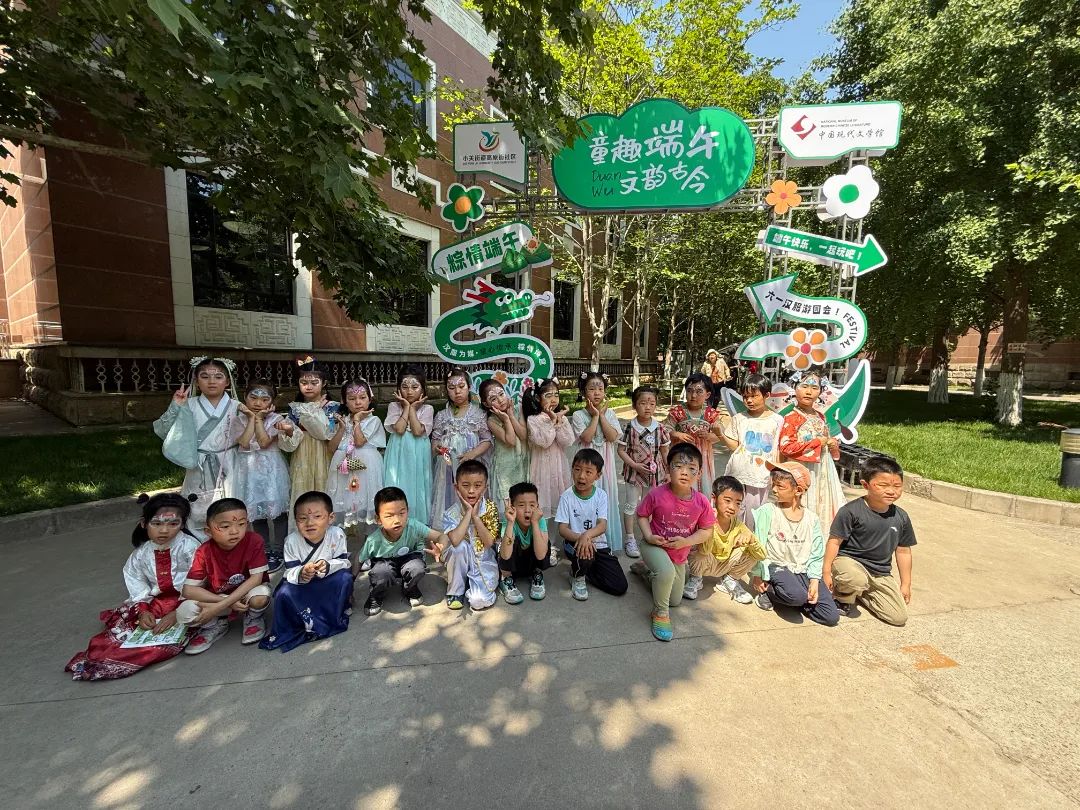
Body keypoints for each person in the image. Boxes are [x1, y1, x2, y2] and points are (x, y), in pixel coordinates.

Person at [65, 493, 202, 681]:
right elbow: (136, 581)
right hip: (156, 603)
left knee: (159, 642)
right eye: (156, 523)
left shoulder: (190, 547)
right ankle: (95, 660)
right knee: (125, 630)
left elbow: (199, 580)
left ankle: (111, 664)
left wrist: (175, 614)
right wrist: (143, 611)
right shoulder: (141, 553)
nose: (164, 530)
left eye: (173, 524)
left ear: (183, 524)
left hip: (187, 600)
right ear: (144, 523)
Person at [631, 443, 716, 641]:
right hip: (653, 545)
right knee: (666, 574)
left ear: (699, 473)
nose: (684, 472)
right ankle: (660, 613)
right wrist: (648, 536)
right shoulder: (656, 494)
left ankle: (646, 571)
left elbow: (707, 530)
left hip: (678, 553)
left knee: (675, 600)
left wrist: (686, 542)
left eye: (691, 468)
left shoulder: (701, 502)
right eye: (678, 466)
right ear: (668, 468)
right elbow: (641, 515)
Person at [153, 355, 240, 535]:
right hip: (198, 463)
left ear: (227, 381)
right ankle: (198, 544)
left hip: (229, 462)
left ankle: (231, 542)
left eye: (218, 376)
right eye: (205, 376)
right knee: (196, 506)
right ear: (196, 381)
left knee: (231, 505)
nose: (211, 381)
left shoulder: (237, 406)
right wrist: (176, 405)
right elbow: (163, 430)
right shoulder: (189, 404)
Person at [823, 456, 916, 625]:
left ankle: (861, 591)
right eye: (883, 485)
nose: (891, 491)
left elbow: (903, 551)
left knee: (898, 617)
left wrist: (906, 584)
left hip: (879, 572)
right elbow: (834, 541)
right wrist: (826, 571)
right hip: (849, 562)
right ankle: (843, 598)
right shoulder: (851, 511)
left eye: (897, 486)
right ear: (865, 485)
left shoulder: (901, 517)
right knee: (855, 578)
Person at [749, 461, 839, 627]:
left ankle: (798, 597)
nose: (774, 490)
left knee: (831, 616)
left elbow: (816, 553)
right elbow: (757, 545)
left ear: (798, 490)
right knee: (796, 596)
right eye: (773, 485)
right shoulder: (768, 512)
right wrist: (757, 575)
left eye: (780, 486)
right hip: (776, 566)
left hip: (802, 569)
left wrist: (814, 581)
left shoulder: (812, 519)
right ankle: (770, 592)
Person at [178, 498, 273, 653]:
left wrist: (219, 607)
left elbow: (256, 579)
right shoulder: (204, 551)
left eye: (241, 524)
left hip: (246, 596)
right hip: (219, 597)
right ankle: (214, 625)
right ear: (208, 531)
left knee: (261, 595)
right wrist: (225, 602)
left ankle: (253, 617)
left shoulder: (254, 541)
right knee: (184, 612)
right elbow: (188, 590)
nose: (235, 531)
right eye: (225, 526)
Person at [260, 492, 352, 652]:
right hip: (303, 584)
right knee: (283, 593)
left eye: (317, 516)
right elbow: (289, 571)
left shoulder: (336, 534)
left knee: (345, 578)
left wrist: (328, 565)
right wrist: (302, 572)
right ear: (295, 521)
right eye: (302, 518)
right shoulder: (291, 541)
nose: (310, 523)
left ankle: (341, 606)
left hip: (327, 578)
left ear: (331, 518)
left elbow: (344, 562)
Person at [359, 487, 447, 616]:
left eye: (402, 513)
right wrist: (349, 584)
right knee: (381, 572)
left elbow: (441, 536)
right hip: (384, 563)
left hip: (409, 559)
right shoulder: (373, 540)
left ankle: (409, 588)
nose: (397, 520)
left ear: (407, 511)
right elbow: (359, 559)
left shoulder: (413, 526)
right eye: (389, 516)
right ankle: (376, 594)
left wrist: (441, 547)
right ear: (378, 519)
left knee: (417, 568)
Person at [233, 380, 290, 573]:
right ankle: (264, 550)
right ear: (245, 397)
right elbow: (244, 442)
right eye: (253, 398)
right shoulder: (238, 419)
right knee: (256, 512)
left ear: (272, 402)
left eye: (265, 399)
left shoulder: (276, 419)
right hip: (249, 471)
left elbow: (264, 441)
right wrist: (251, 418)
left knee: (277, 511)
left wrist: (259, 420)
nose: (258, 403)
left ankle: (280, 549)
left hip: (271, 469)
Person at [557, 448, 628, 602]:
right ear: (572, 470)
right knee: (584, 551)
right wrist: (581, 538)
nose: (581, 476)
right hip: (574, 544)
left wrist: (587, 536)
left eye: (588, 472)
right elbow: (562, 529)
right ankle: (578, 576)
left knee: (619, 586)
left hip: (599, 546)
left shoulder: (601, 495)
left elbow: (602, 525)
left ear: (598, 475)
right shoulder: (566, 497)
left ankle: (586, 569)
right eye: (577, 469)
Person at [778, 368, 845, 529]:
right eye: (804, 386)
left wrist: (832, 444)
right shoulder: (791, 417)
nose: (809, 392)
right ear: (794, 388)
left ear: (821, 391)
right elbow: (786, 447)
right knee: (804, 500)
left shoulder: (820, 416)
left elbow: (826, 439)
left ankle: (820, 534)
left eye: (815, 388)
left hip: (823, 469)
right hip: (802, 469)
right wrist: (816, 443)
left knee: (823, 501)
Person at [278, 357, 340, 531]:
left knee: (324, 489)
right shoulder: (294, 407)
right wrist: (289, 431)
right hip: (302, 455)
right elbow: (288, 445)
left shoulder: (331, 407)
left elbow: (324, 433)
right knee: (301, 490)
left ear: (324, 383)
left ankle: (327, 534)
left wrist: (312, 411)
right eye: (304, 382)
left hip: (324, 453)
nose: (308, 386)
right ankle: (300, 534)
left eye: (314, 382)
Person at [683, 476, 765, 603]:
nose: (732, 507)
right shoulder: (704, 518)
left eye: (738, 503)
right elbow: (704, 551)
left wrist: (751, 540)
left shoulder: (738, 526)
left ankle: (729, 580)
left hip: (725, 564)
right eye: (727, 501)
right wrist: (709, 523)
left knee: (751, 550)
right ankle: (696, 578)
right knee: (697, 547)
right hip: (704, 562)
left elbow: (761, 555)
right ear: (714, 498)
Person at [718, 373, 785, 526]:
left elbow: (778, 450)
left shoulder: (777, 420)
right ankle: (732, 537)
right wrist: (720, 434)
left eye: (754, 396)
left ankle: (750, 538)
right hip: (738, 472)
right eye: (745, 397)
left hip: (760, 476)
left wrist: (778, 473)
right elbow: (734, 446)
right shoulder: (739, 418)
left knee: (754, 513)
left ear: (767, 395)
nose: (749, 400)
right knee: (734, 510)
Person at [570, 372, 625, 553]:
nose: (597, 393)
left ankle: (604, 543)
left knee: (605, 498)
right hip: (586, 464)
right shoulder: (578, 415)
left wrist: (601, 416)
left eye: (600, 389)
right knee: (585, 499)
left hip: (605, 464)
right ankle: (584, 541)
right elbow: (586, 438)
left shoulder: (610, 414)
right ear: (583, 392)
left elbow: (612, 437)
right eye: (592, 389)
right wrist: (594, 417)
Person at [431, 367, 493, 521]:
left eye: (461, 386)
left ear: (469, 387)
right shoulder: (441, 415)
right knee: (450, 491)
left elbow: (487, 440)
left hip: (472, 464)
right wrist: (438, 448)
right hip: (447, 466)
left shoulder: (478, 414)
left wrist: (472, 454)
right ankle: (450, 525)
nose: (457, 391)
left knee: (472, 491)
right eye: (451, 388)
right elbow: (435, 440)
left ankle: (475, 524)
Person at [326, 378, 386, 537]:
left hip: (366, 464)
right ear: (344, 401)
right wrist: (341, 428)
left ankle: (370, 541)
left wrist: (357, 421)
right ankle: (340, 541)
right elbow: (331, 448)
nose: (358, 402)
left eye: (362, 397)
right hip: (343, 464)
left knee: (366, 499)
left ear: (370, 399)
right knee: (344, 499)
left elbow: (359, 441)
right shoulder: (341, 420)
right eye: (352, 398)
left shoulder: (373, 420)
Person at [441, 459, 502, 610]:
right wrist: (469, 512)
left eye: (477, 485)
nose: (471, 491)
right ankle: (456, 590)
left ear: (485, 487)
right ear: (456, 487)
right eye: (465, 485)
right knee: (459, 547)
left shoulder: (490, 508)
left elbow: (488, 542)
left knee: (478, 602)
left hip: (483, 560)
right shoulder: (451, 512)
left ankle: (473, 583)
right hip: (461, 557)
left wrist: (476, 517)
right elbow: (455, 540)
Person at [618, 385, 670, 558]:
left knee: (650, 505)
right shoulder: (629, 427)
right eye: (642, 403)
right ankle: (630, 538)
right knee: (631, 504)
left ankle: (648, 536)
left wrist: (668, 471)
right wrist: (634, 465)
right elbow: (621, 450)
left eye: (652, 403)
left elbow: (665, 451)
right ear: (634, 405)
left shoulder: (660, 428)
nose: (647, 407)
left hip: (654, 474)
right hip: (633, 473)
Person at [383, 364, 434, 525]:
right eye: (404, 387)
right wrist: (406, 407)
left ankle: (418, 524)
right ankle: (395, 520)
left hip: (419, 451)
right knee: (398, 481)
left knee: (418, 484)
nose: (409, 391)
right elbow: (399, 429)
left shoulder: (428, 409)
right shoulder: (393, 406)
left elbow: (418, 431)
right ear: (398, 389)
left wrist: (413, 409)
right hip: (398, 451)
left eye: (414, 387)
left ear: (423, 389)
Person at [664, 372, 725, 495]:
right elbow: (664, 430)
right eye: (689, 391)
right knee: (681, 488)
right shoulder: (677, 412)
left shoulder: (711, 414)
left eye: (699, 391)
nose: (693, 395)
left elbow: (721, 434)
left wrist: (710, 436)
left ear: (707, 394)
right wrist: (677, 434)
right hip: (681, 456)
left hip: (704, 458)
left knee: (704, 487)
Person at [524, 377, 574, 524]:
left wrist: (559, 421)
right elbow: (544, 442)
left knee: (559, 505)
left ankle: (556, 537)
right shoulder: (533, 419)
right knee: (542, 503)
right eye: (548, 395)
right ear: (538, 398)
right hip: (541, 467)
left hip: (559, 467)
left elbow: (567, 441)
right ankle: (541, 536)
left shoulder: (561, 417)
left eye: (556, 395)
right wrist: (552, 421)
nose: (553, 399)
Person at [478, 377, 529, 523]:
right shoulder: (492, 421)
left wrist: (511, 415)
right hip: (504, 470)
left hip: (522, 465)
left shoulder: (518, 409)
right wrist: (506, 419)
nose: (500, 400)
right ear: (486, 404)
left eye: (501, 394)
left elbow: (523, 435)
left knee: (524, 503)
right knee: (508, 506)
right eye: (493, 399)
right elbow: (511, 441)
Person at [496, 482, 552, 604]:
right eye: (521, 505)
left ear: (537, 506)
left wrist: (535, 523)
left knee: (544, 541)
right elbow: (505, 555)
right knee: (508, 541)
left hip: (531, 563)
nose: (527, 510)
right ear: (512, 506)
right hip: (514, 565)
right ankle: (506, 578)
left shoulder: (540, 520)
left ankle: (537, 573)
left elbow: (541, 555)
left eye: (532, 505)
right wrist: (510, 523)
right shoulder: (509, 521)